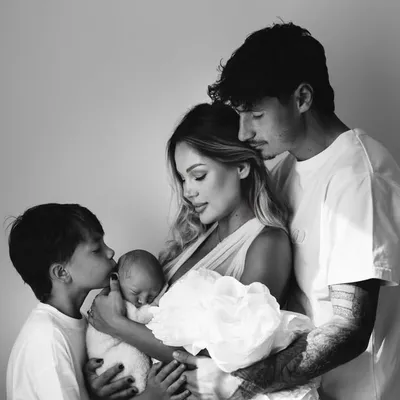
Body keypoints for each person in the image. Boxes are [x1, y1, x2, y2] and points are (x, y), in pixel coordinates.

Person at [171, 21, 400, 400]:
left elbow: (350, 329)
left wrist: (238, 383)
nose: (243, 133)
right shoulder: (285, 169)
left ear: (302, 98)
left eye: (255, 115)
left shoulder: (360, 177)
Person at [86, 102, 294, 399]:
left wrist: (117, 325)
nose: (187, 191)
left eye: (198, 176)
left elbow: (229, 359)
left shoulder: (266, 244)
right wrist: (110, 372)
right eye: (183, 178)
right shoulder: (196, 236)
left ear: (241, 166)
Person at [6, 203, 189, 400]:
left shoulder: (81, 324)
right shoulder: (47, 340)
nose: (110, 252)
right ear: (62, 272)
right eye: (96, 249)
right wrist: (151, 396)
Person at [86, 249, 167, 394]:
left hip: (109, 362)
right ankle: (140, 385)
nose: (143, 301)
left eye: (151, 297)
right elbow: (141, 316)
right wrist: (155, 305)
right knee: (135, 355)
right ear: (117, 281)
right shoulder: (117, 304)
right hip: (111, 361)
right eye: (136, 293)